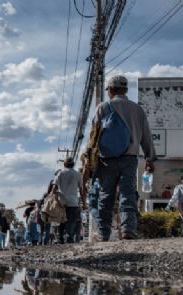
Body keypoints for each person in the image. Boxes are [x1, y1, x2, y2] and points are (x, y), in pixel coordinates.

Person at [88, 75, 156, 241]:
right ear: (125, 90)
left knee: (106, 197)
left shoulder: (103, 107)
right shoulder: (137, 109)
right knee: (128, 195)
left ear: (110, 89)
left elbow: (93, 137)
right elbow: (146, 135)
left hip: (107, 160)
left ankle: (104, 233)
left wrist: (89, 162)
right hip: (130, 159)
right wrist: (149, 157)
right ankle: (127, 231)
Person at [54, 159, 82, 243]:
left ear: (64, 164)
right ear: (73, 164)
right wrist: (83, 202)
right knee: (72, 221)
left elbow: (54, 188)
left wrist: (52, 198)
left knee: (62, 220)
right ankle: (70, 238)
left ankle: (60, 239)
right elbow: (81, 189)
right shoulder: (77, 174)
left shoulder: (60, 173)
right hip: (73, 202)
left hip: (62, 202)